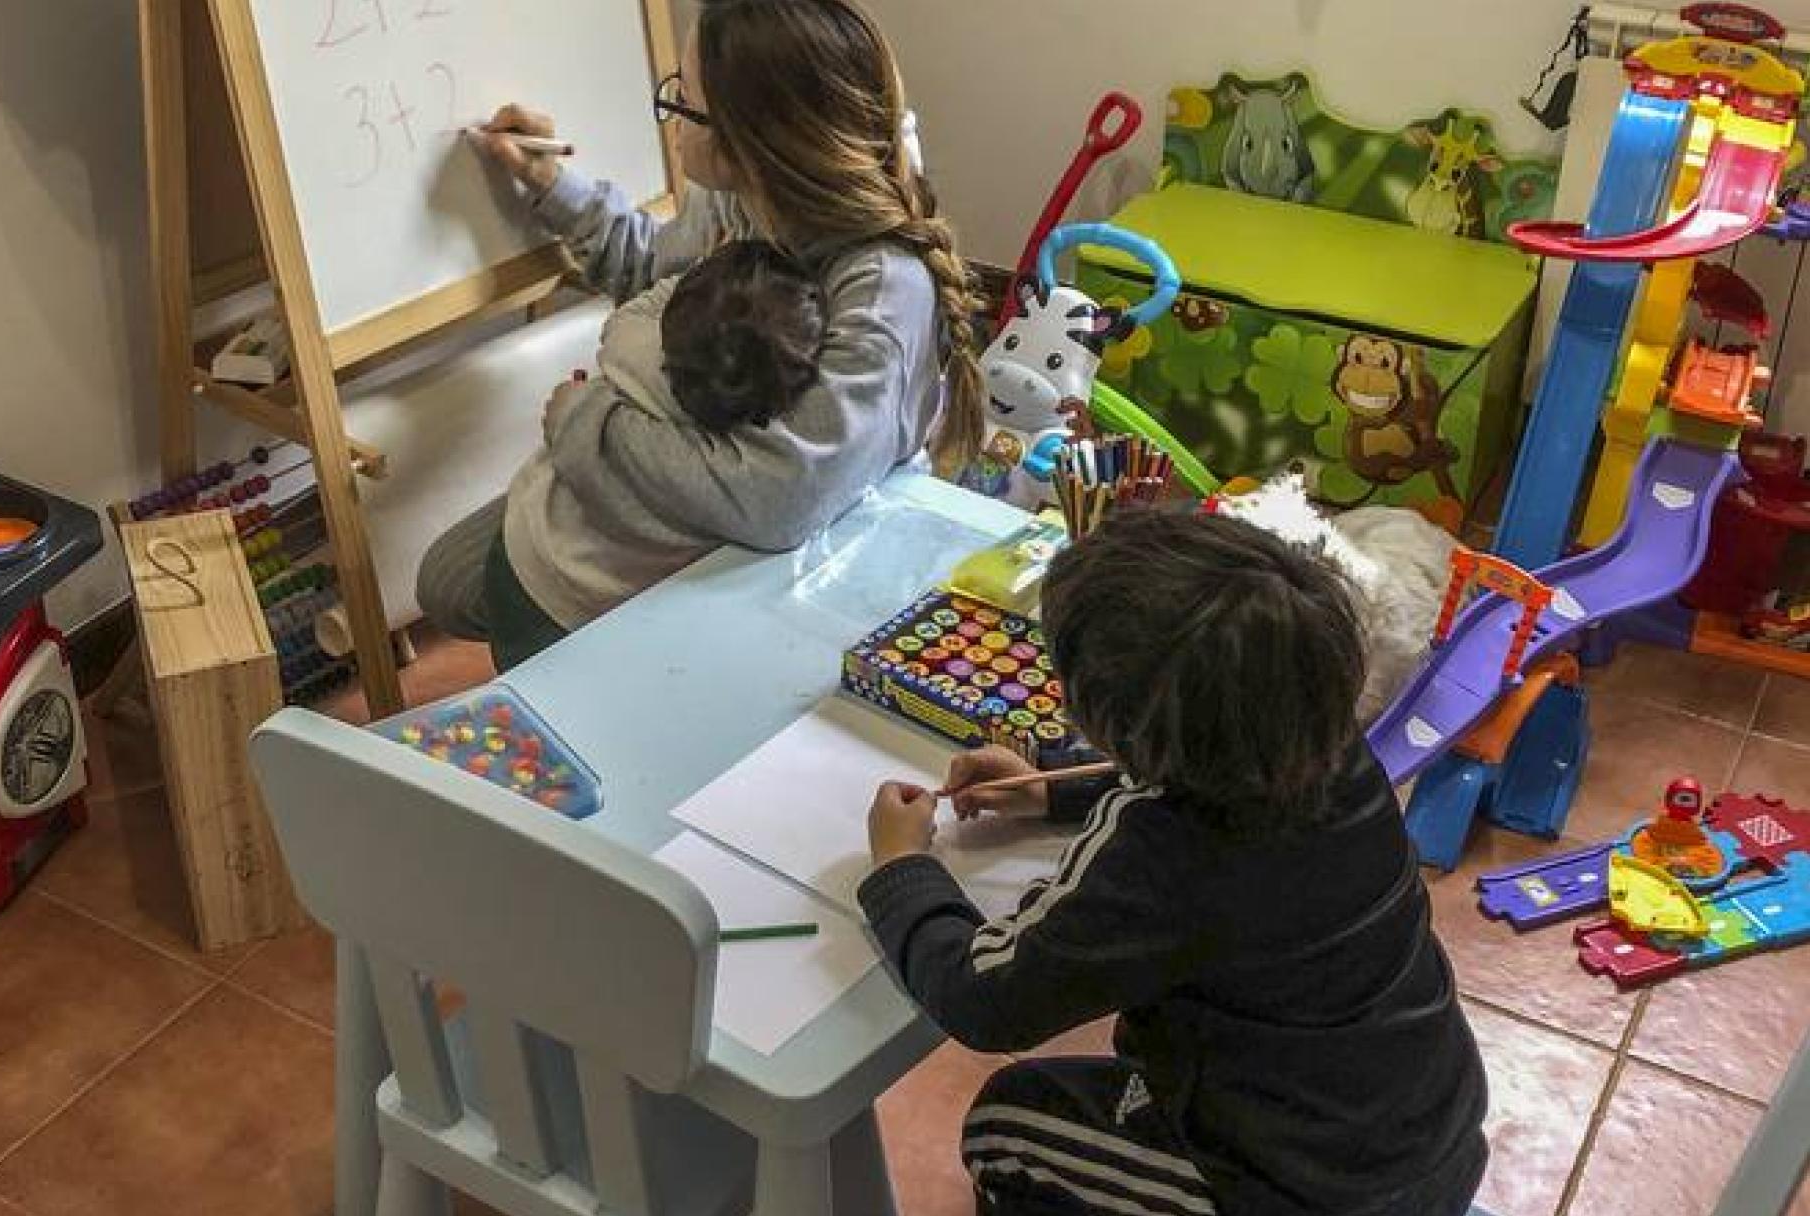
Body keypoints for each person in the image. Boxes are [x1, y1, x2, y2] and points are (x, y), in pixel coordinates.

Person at [859, 507, 1489, 1216]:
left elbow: (982, 999)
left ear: (1103, 716)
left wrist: (898, 868)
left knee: (1006, 1127)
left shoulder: (1159, 860)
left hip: (1305, 1194)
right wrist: (1051, 793)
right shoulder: (1329, 749)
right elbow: (1215, 770)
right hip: (1430, 1135)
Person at [416, 0, 983, 666]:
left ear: (747, 144)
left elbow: (780, 498)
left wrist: (584, 422)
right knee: (449, 581)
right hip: (690, 461)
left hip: (774, 522)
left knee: (523, 596)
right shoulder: (745, 194)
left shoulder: (883, 286)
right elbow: (651, 266)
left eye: (682, 101)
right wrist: (548, 182)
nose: (670, 118)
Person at [489, 241, 828, 666]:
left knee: (523, 705)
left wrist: (704, 276)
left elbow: (636, 309)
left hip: (529, 565)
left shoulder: (630, 346)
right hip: (616, 605)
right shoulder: (753, 443)